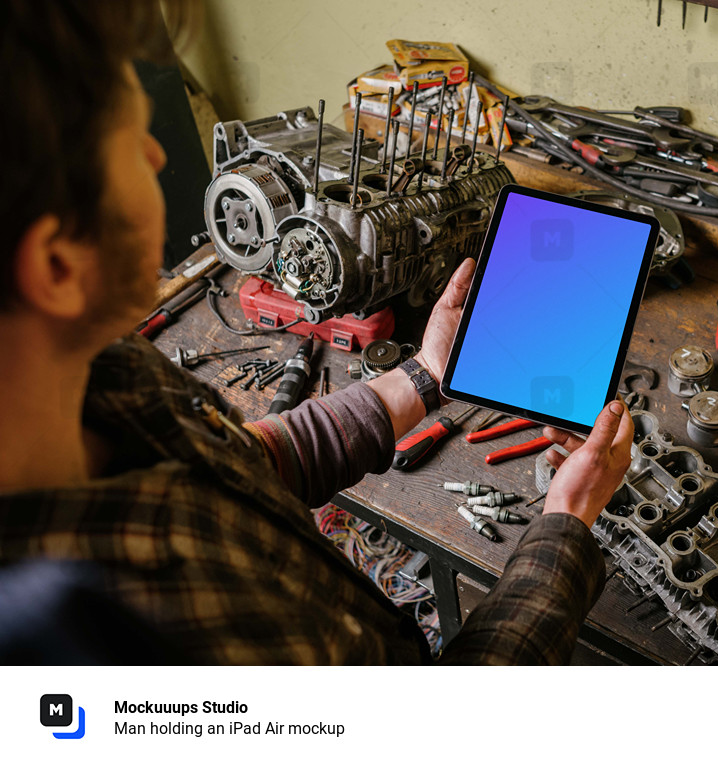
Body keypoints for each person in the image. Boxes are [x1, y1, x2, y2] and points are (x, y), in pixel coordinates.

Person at [0, 0, 634, 664]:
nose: (159, 153)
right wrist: (564, 527)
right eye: (129, 139)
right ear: (56, 265)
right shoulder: (117, 639)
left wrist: (423, 375)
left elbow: (241, 467)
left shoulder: (107, 375)